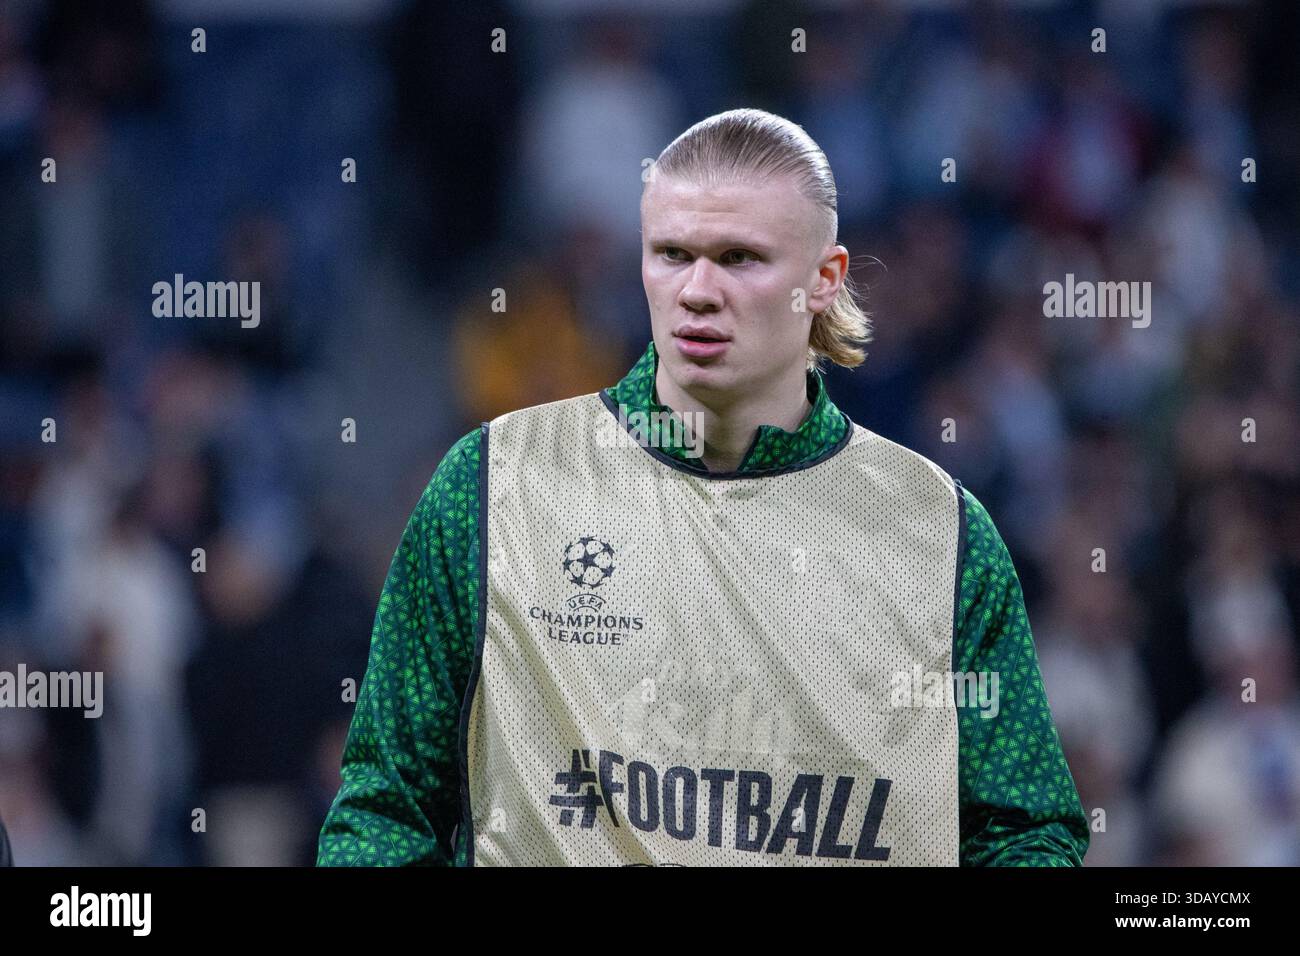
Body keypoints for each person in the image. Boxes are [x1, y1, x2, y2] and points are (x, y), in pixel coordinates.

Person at [317, 108, 1088, 866]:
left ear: (824, 280)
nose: (696, 290)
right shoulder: (494, 483)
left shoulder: (940, 530)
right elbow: (386, 811)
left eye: (741, 258)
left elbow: (1025, 833)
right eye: (672, 253)